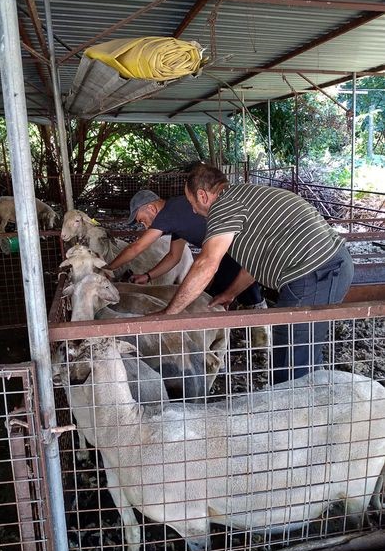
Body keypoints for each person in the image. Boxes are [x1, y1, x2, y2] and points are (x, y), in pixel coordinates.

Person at [156, 162, 354, 384]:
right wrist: (231, 293)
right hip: (326, 268)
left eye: (192, 203)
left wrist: (168, 315)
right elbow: (257, 263)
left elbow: (206, 263)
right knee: (301, 352)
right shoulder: (243, 197)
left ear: (203, 195)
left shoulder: (223, 205)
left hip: (315, 272)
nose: (193, 210)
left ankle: (292, 412)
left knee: (292, 363)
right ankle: (311, 402)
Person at [106, 189, 266, 309]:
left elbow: (137, 247)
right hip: (224, 253)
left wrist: (107, 268)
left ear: (151, 209)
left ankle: (264, 342)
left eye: (142, 220)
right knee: (217, 298)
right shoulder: (175, 216)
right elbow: (173, 257)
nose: (146, 226)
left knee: (248, 299)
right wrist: (147, 277)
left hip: (236, 251)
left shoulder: (167, 214)